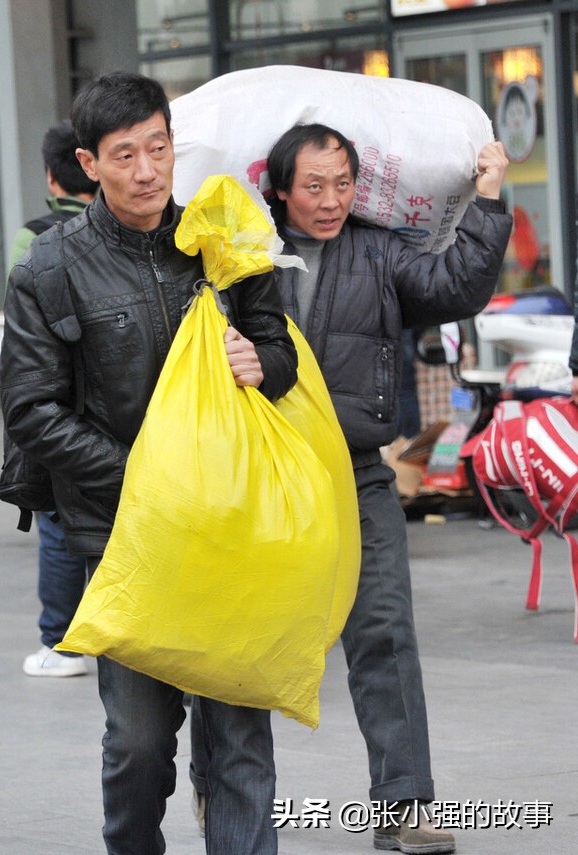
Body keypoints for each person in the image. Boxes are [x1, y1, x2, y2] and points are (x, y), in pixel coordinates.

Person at [190, 123, 511, 855]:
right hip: (261, 474)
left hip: (358, 471)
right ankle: (215, 777)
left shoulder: (379, 249)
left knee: (384, 632)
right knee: (239, 644)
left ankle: (403, 803)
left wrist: (488, 201)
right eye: (314, 186)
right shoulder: (241, 251)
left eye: (343, 184)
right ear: (277, 187)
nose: (332, 200)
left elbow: (453, 284)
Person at [0, 71, 298, 855]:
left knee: (238, 733)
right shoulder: (50, 268)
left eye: (157, 148)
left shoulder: (218, 237)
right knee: (137, 740)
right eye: (124, 154)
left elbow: (279, 348)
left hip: (230, 527)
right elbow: (33, 412)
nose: (145, 170)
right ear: (88, 163)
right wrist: (146, 478)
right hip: (124, 535)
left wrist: (260, 359)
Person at [9, 121, 98, 678]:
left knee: (59, 523)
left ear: (51, 174)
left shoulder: (33, 238)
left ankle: (63, 643)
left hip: (58, 403)